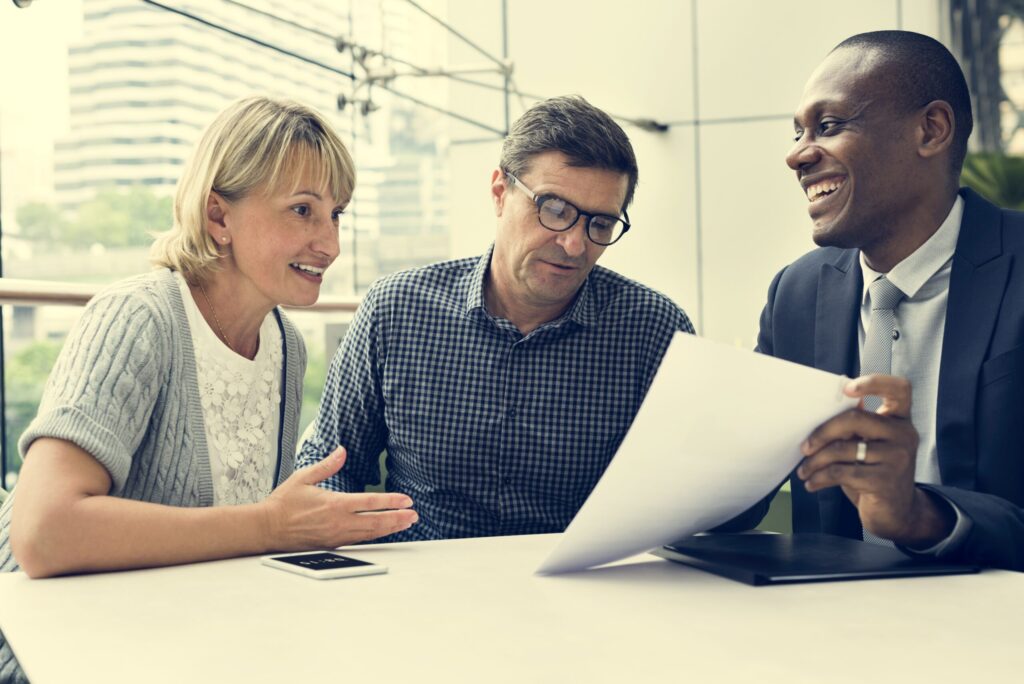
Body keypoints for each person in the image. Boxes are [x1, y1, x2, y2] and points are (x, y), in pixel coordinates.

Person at [0, 95, 421, 679]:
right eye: (302, 210)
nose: (330, 244)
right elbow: (43, 535)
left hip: (179, 642)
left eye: (336, 214)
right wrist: (274, 526)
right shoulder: (138, 318)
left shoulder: (285, 344)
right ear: (218, 217)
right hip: (49, 653)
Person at [298, 95, 694, 541]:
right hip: (420, 590)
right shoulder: (397, 309)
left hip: (579, 593)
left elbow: (692, 496)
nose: (575, 245)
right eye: (555, 210)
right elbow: (329, 468)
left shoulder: (654, 331)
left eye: (600, 224)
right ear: (500, 193)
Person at [755, 30, 1024, 571]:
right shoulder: (795, 294)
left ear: (931, 130)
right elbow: (738, 491)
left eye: (827, 127)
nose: (796, 155)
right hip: (833, 629)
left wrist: (925, 517)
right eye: (798, 132)